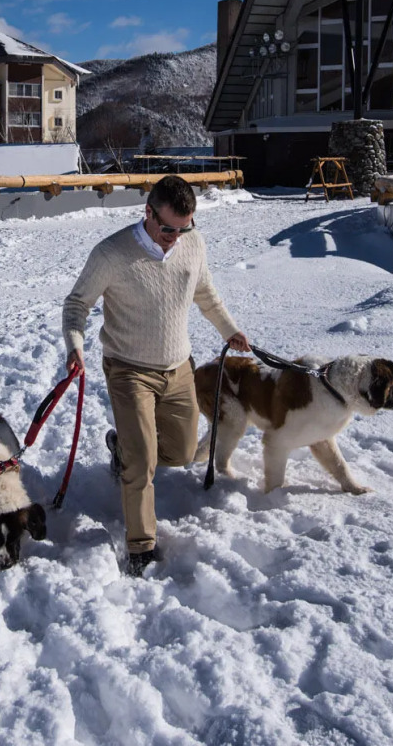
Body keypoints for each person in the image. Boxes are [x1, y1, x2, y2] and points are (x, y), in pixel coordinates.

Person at [62, 174, 249, 578]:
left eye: (185, 228)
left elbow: (205, 293)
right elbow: (77, 304)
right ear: (147, 213)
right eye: (168, 229)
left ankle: (122, 449)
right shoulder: (112, 254)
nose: (176, 238)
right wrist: (74, 346)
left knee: (181, 454)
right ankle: (140, 546)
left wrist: (228, 329)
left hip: (180, 367)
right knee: (143, 461)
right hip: (129, 370)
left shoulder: (192, 243)